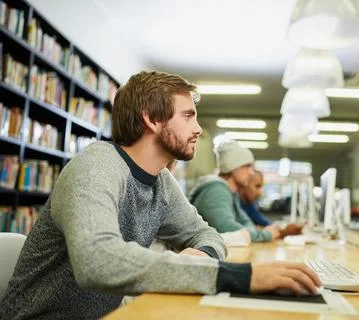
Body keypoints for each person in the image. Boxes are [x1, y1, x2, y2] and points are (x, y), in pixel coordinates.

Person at [0, 71, 320, 319]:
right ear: (152, 119)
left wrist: (202, 258)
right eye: (187, 116)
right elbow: (97, 261)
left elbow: (209, 235)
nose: (198, 129)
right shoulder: (97, 164)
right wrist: (236, 276)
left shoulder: (161, 183)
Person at [189, 141, 281, 242]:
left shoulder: (230, 192)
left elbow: (246, 223)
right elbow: (230, 230)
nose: (251, 173)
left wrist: (254, 233)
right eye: (247, 166)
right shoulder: (216, 191)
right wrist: (265, 235)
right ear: (232, 167)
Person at [239, 169, 304, 237]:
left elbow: (265, 223)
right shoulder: (235, 206)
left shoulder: (250, 205)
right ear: (244, 184)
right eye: (257, 186)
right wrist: (282, 232)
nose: (260, 192)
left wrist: (281, 229)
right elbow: (244, 231)